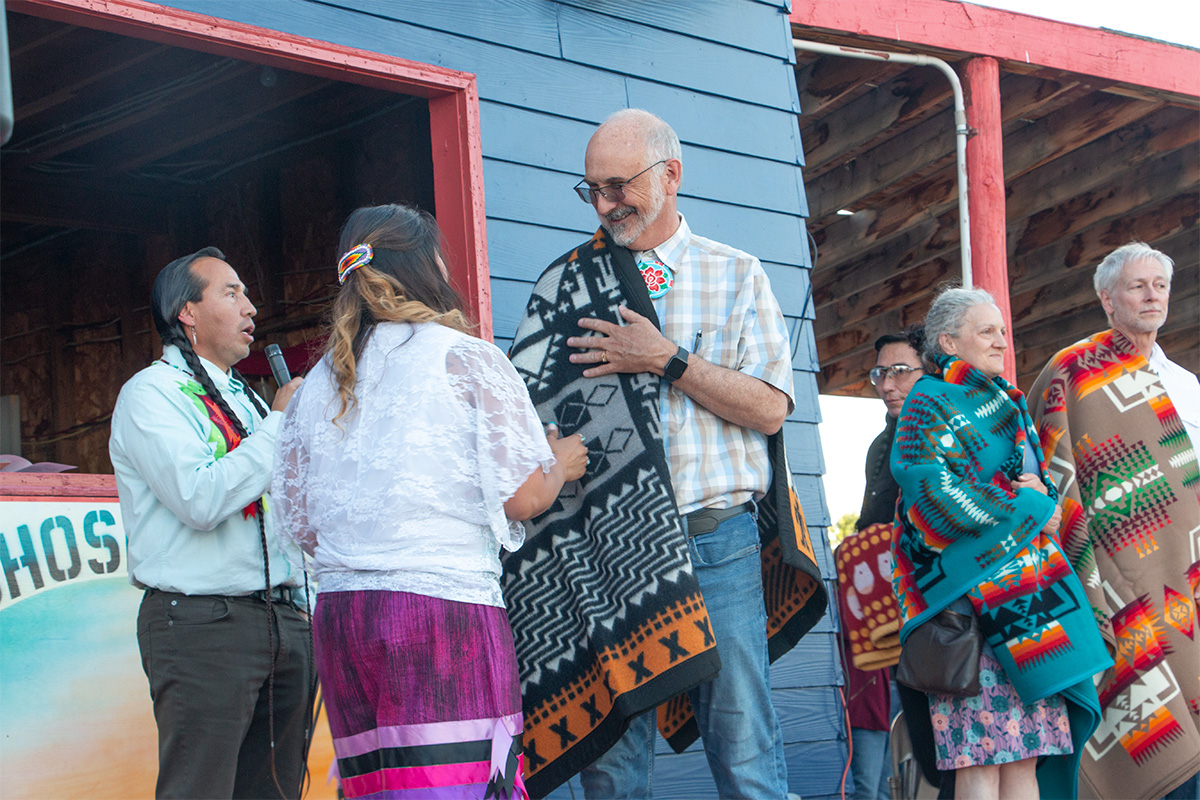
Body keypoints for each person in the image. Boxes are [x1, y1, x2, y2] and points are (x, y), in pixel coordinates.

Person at [503, 108, 827, 799]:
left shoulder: (736, 275)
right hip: (610, 552)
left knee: (746, 755)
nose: (604, 203)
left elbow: (771, 407)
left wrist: (667, 359)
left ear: (671, 175)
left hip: (720, 543)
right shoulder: (563, 287)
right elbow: (524, 420)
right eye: (591, 188)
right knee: (615, 769)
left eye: (619, 185)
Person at [271, 204, 587, 800]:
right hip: (440, 615)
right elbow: (520, 497)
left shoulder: (314, 386)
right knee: (458, 786)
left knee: (379, 789)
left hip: (344, 620)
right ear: (429, 267)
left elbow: (300, 523)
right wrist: (560, 466)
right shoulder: (464, 357)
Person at [890, 286, 1111, 800]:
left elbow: (1030, 485)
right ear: (947, 341)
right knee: (979, 765)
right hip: (971, 610)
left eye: (1002, 331)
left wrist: (1043, 497)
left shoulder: (1005, 400)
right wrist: (1031, 505)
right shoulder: (928, 401)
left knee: (1026, 760)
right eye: (986, 331)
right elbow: (931, 494)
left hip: (1030, 605)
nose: (1000, 341)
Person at [109, 247, 311, 799]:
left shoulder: (247, 398)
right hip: (205, 625)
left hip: (284, 618)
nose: (251, 307)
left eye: (246, 294)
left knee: (275, 790)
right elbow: (199, 498)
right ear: (187, 313)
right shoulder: (150, 394)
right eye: (232, 292)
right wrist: (281, 425)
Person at [1029, 242, 1200, 800]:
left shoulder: (1187, 384)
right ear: (1107, 298)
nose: (1152, 296)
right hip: (1115, 574)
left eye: (1160, 286)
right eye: (1137, 286)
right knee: (1144, 719)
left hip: (1186, 573)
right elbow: (1052, 470)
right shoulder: (1072, 371)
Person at [839, 327, 927, 800]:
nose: (887, 384)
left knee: (932, 720)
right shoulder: (879, 443)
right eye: (879, 373)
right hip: (877, 604)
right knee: (879, 714)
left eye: (899, 371)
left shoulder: (940, 429)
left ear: (927, 370)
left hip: (929, 603)